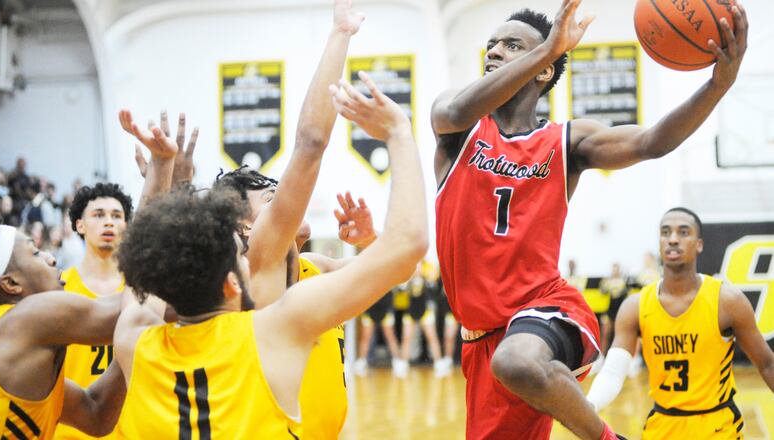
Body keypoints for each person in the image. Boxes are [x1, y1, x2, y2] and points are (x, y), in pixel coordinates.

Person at [430, 0, 748, 437]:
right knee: (509, 364)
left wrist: (718, 85)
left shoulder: (567, 140)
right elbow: (450, 113)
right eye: (490, 45)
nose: (494, 52)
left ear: (543, 72)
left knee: (516, 359)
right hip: (481, 337)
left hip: (545, 310)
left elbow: (652, 141)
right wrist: (547, 49)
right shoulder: (460, 126)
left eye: (510, 45)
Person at [112, 70, 428, 437]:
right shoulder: (272, 331)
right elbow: (406, 246)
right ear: (233, 284)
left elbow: (142, 271)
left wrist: (161, 169)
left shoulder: (134, 339)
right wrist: (399, 133)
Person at [211, 2, 368, 437]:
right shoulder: (258, 265)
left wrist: (371, 241)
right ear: (243, 226)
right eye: (271, 198)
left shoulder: (317, 266)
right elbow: (310, 142)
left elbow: (399, 269)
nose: (288, 202)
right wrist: (341, 35)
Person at [586, 207, 774, 438]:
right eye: (666, 232)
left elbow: (767, 364)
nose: (673, 239)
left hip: (717, 427)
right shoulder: (636, 306)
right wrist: (589, 406)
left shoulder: (727, 301)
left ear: (699, 244)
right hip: (662, 426)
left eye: (683, 232)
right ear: (659, 243)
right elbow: (614, 372)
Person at [0, 218, 125, 438]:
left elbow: (96, 413)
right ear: (10, 284)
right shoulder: (23, 321)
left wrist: (131, 344)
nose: (50, 258)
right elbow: (131, 310)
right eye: (35, 253)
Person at [53, 183, 133, 440]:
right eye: (98, 215)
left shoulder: (140, 289)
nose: (108, 222)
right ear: (79, 225)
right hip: (72, 430)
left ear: (126, 226)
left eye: (116, 216)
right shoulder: (57, 288)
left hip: (132, 428)